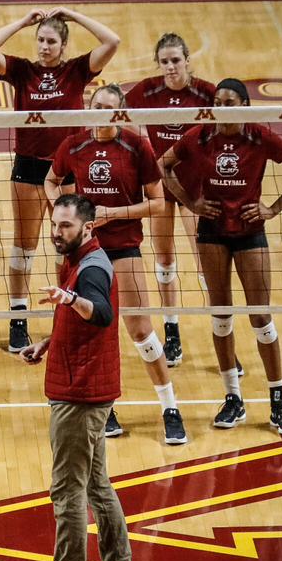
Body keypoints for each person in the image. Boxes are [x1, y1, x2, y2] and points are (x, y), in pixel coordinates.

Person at [162, 79, 282, 436]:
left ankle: (278, 400)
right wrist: (191, 203)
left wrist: (272, 209)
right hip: (212, 232)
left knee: (261, 316)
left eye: (228, 101)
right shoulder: (199, 136)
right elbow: (162, 166)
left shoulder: (259, 136)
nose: (220, 106)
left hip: (250, 233)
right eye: (216, 101)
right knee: (221, 316)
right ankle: (233, 398)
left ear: (244, 104)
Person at [46, 85, 186, 445]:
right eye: (97, 106)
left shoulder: (137, 147)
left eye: (110, 108)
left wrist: (112, 213)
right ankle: (104, 408)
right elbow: (51, 179)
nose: (102, 113)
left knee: (140, 331)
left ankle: (170, 407)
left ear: (121, 113)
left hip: (123, 248)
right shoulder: (73, 144)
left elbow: (157, 203)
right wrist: (63, 211)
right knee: (88, 327)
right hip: (83, 252)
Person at [0, 7, 121, 352]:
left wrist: (73, 14)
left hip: (66, 168)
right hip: (28, 166)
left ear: (64, 43)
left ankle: (66, 309)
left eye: (51, 41)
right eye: (40, 40)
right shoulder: (22, 70)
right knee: (23, 246)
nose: (44, 46)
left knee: (67, 248)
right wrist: (23, 22)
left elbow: (112, 41)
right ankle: (17, 318)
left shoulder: (76, 71)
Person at [17, 194, 132, 561]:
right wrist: (49, 342)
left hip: (80, 394)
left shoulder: (92, 267)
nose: (55, 232)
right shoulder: (76, 259)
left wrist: (69, 300)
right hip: (86, 383)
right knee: (97, 483)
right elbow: (80, 321)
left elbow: (100, 313)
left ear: (88, 227)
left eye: (65, 226)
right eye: (54, 223)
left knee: (67, 490)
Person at [126, 33, 218, 366]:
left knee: (204, 260)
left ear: (187, 61)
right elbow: (119, 115)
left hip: (196, 188)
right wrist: (139, 146)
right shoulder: (147, 89)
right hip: (160, 187)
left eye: (176, 60)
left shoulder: (206, 92)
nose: (170, 67)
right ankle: (172, 332)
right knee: (164, 260)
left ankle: (223, 335)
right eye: (164, 61)